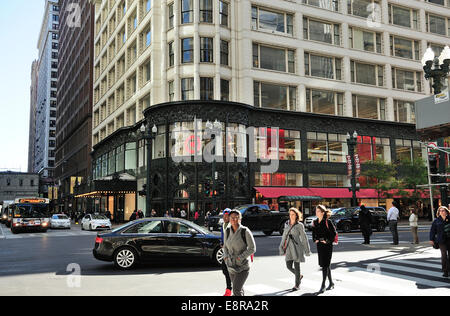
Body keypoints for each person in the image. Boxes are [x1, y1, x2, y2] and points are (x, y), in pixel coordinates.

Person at [223, 209, 256, 296]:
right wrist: (225, 257)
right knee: (239, 289)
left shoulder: (245, 231)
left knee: (236, 290)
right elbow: (225, 246)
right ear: (229, 219)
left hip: (243, 266)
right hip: (231, 265)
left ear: (240, 219)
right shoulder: (227, 231)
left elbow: (252, 248)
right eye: (231, 218)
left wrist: (240, 257)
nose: (233, 219)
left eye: (236, 218)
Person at [279, 208, 311, 291]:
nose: (291, 216)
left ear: (296, 215)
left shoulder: (300, 225)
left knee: (297, 267)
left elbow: (304, 238)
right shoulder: (286, 224)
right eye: (290, 214)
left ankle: (297, 285)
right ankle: (299, 275)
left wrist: (307, 250)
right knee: (288, 266)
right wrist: (281, 246)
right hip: (289, 248)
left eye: (293, 214)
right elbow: (284, 237)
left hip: (297, 248)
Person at [312, 205, 337, 293]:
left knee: (325, 265)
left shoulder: (328, 222)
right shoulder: (315, 222)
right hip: (319, 246)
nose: (316, 212)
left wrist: (327, 241)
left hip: (327, 246)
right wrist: (315, 239)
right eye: (316, 211)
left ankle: (323, 284)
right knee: (325, 265)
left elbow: (333, 233)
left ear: (323, 212)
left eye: (318, 211)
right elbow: (313, 233)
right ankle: (331, 282)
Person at [429, 206, 450, 277]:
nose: (442, 212)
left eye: (443, 210)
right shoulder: (436, 221)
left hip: (449, 239)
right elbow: (432, 231)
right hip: (441, 240)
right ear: (438, 212)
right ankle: (445, 271)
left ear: (446, 212)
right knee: (444, 256)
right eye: (440, 211)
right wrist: (431, 239)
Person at [221, 208, 233, 296]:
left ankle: (229, 289)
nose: (225, 218)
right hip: (225, 251)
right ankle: (230, 288)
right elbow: (223, 235)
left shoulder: (233, 225)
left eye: (226, 216)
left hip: (232, 252)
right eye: (224, 216)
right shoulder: (223, 225)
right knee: (225, 270)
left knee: (231, 271)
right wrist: (222, 243)